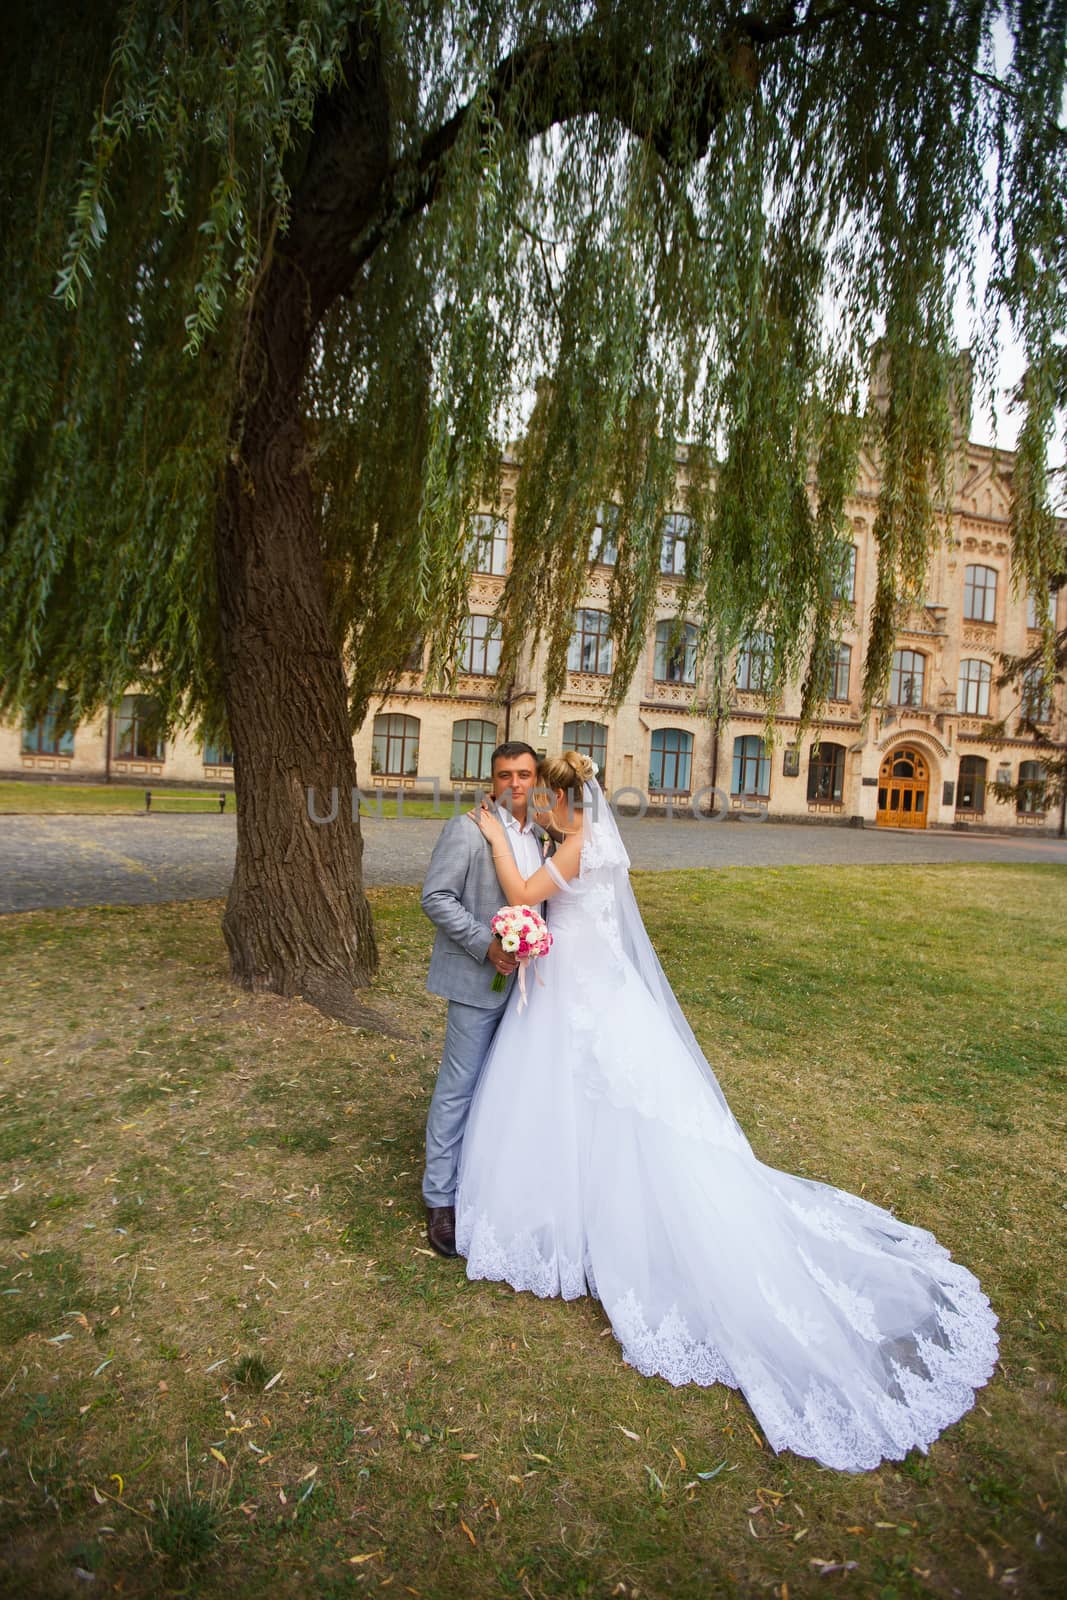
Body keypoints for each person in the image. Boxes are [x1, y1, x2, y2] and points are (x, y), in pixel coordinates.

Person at [455, 749, 999, 1472]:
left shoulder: (579, 845)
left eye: (547, 801)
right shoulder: (590, 841)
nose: (540, 812)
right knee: (593, 1110)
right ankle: (578, 1213)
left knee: (608, 1111)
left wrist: (496, 839)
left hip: (580, 1001)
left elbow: (523, 893)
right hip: (587, 991)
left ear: (566, 802)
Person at [419, 741, 555, 1258]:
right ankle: (439, 1199)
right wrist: (486, 945)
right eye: (505, 775)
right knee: (459, 1087)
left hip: (530, 991)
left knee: (504, 1089)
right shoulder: (466, 829)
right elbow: (436, 898)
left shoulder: (542, 836)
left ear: (536, 780)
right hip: (479, 984)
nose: (515, 784)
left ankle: (487, 1183)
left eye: (524, 775)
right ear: (491, 780)